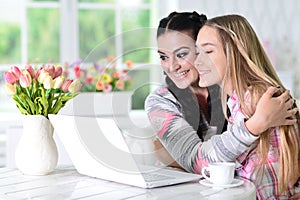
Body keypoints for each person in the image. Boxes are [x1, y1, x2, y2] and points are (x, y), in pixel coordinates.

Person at [145, 11, 296, 173]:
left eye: (182, 54)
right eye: (163, 57)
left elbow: (284, 147)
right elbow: (195, 161)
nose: (172, 66)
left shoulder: (236, 89)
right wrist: (254, 126)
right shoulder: (160, 101)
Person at [195, 14, 300, 199]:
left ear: (236, 51)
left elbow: (212, 161)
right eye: (197, 53)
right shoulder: (242, 98)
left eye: (208, 52)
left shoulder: (256, 97)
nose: (197, 62)